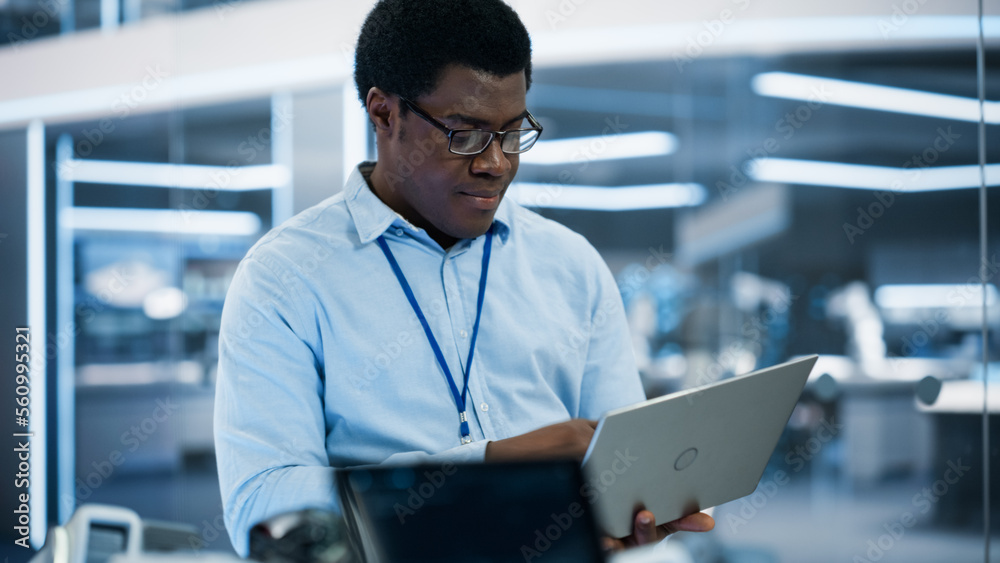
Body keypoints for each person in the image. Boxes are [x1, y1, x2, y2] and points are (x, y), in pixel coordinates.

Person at [214, 0, 714, 556]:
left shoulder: (571, 266)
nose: (496, 163)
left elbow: (619, 461)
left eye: (513, 131)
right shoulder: (284, 278)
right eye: (465, 133)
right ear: (383, 114)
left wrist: (634, 514)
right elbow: (263, 506)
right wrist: (493, 466)